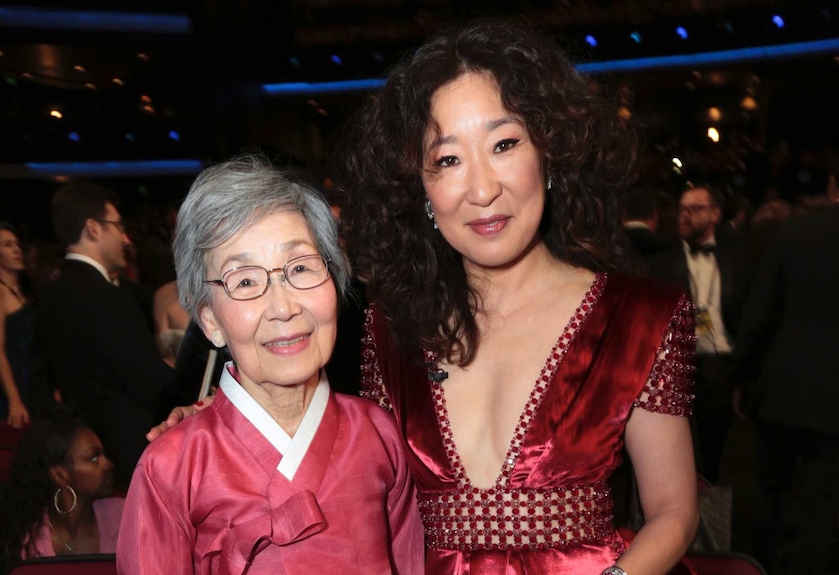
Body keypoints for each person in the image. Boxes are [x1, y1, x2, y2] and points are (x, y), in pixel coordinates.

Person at [152, 18, 698, 575]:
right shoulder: (390, 330)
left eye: (504, 144)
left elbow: (674, 511)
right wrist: (204, 429)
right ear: (421, 187)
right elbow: (320, 434)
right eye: (448, 160)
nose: (482, 190)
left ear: (549, 153)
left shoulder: (641, 318)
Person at [117, 155, 424, 574]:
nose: (282, 307)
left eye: (300, 268)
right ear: (210, 320)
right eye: (245, 281)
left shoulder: (379, 435)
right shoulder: (172, 469)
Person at [28, 181, 183, 488]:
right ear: (94, 229)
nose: (125, 238)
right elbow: (149, 382)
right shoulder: (107, 298)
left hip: (82, 455)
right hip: (129, 454)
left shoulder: (49, 295)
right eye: (118, 227)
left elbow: (39, 381)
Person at [732, 155, 839, 574]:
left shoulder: (791, 233)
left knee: (771, 491)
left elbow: (760, 313)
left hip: (781, 390)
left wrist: (743, 375)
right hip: (832, 403)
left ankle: (763, 565)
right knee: (820, 501)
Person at [650, 182, 752, 483]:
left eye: (695, 209)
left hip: (718, 364)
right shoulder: (663, 264)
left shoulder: (735, 259)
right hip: (676, 367)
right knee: (673, 453)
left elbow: (745, 311)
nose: (685, 216)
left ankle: (708, 516)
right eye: (682, 209)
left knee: (714, 451)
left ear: (715, 215)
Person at [0, 407, 124, 574]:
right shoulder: (29, 542)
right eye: (94, 458)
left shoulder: (125, 515)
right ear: (60, 475)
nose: (108, 464)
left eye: (103, 455)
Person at [0, 222, 35, 428]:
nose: (16, 249)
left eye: (17, 244)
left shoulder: (24, 290)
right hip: (14, 382)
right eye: (7, 244)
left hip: (33, 379)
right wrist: (14, 400)